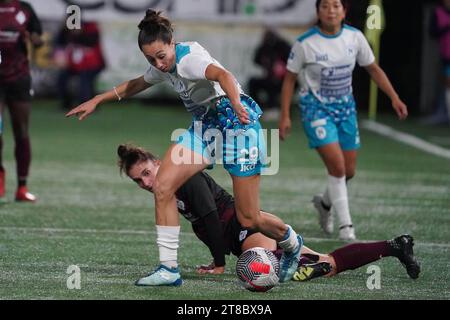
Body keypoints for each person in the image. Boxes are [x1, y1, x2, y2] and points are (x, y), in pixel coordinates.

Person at [66, 9, 303, 286]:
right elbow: (137, 84)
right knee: (163, 185)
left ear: (171, 43)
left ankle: (293, 243)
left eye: (161, 56)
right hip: (205, 126)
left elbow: (223, 75)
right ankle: (168, 269)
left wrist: (237, 103)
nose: (158, 64)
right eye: (150, 59)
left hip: (238, 126)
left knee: (248, 217)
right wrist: (99, 98)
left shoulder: (189, 60)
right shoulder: (162, 64)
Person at [117, 143, 420, 282]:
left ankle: (299, 260)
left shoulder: (186, 175)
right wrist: (216, 257)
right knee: (328, 263)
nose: (146, 182)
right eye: (138, 180)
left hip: (248, 230)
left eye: (146, 172)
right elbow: (206, 224)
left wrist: (220, 264)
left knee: (263, 271)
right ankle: (394, 246)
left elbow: (210, 216)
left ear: (157, 162)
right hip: (240, 234)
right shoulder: (168, 188)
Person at [278, 0, 408, 241]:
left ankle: (325, 204)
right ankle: (346, 226)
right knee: (337, 168)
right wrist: (285, 114)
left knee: (348, 171)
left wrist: (394, 97)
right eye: (325, 6)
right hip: (315, 111)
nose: (331, 11)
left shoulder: (355, 38)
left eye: (336, 6)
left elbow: (373, 69)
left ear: (344, 11)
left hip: (346, 111)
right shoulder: (305, 43)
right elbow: (289, 79)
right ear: (318, 11)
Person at [0, 0, 43, 202]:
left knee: (21, 130)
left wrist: (35, 40)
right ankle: (0, 180)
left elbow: (38, 37)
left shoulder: (24, 9)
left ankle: (22, 187)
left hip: (18, 78)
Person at [53, 21, 106, 110]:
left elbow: (91, 42)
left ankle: (86, 105)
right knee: (62, 79)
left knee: (85, 83)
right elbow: (60, 42)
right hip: (74, 65)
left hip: (92, 65)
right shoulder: (66, 29)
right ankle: (66, 104)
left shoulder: (90, 27)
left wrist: (80, 33)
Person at [248, 27, 291, 121]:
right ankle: (256, 108)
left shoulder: (283, 46)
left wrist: (283, 67)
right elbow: (256, 59)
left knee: (275, 83)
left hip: (286, 79)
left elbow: (293, 62)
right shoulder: (264, 47)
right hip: (269, 77)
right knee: (253, 82)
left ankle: (274, 108)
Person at [425, 0, 450, 125]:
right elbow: (432, 32)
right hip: (446, 54)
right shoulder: (438, 12)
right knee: (447, 83)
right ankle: (444, 113)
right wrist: (446, 27)